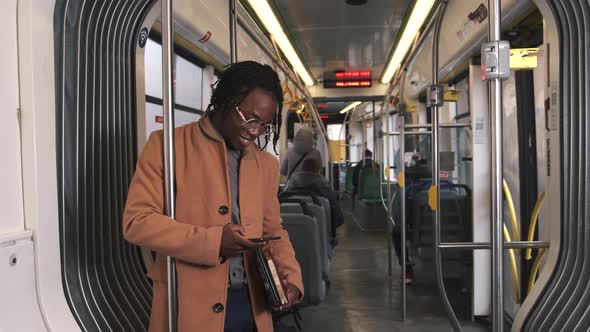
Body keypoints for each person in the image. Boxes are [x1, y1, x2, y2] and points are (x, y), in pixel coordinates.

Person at [123, 61, 303, 332]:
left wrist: (290, 279)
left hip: (254, 304)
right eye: (250, 118)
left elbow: (273, 230)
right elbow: (137, 222)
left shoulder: (265, 164)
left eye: (265, 125)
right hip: (187, 305)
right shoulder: (167, 146)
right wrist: (213, 242)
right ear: (226, 101)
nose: (255, 132)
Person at [284, 157, 345, 241]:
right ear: (318, 169)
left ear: (302, 168)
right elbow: (338, 217)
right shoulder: (324, 187)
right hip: (320, 237)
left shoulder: (289, 188)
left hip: (290, 235)